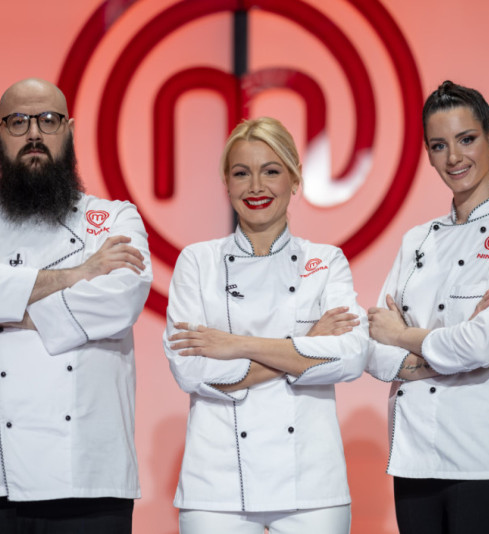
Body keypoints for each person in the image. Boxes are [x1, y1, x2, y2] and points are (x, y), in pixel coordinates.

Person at [0, 78, 152, 533]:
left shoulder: (115, 217)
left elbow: (120, 301)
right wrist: (78, 273)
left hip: (87, 475)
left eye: (48, 120)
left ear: (69, 130)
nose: (33, 134)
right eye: (17, 122)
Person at [163, 117, 368, 533]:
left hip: (312, 482)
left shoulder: (326, 261)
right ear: (226, 183)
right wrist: (305, 346)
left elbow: (351, 357)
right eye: (242, 173)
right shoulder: (197, 262)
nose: (256, 187)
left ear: (295, 179)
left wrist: (236, 345)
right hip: (216, 484)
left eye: (271, 171)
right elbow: (190, 370)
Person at [366, 80, 489, 534]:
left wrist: (404, 336)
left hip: (488, 458)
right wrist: (448, 351)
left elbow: (481, 344)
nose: (454, 158)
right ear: (428, 155)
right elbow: (374, 347)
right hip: (415, 458)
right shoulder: (416, 240)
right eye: (439, 145)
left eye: (466, 139)